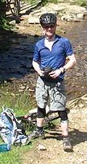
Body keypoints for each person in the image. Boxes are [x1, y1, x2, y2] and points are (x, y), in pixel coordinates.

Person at [30, 12, 77, 152]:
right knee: (40, 105)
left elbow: (73, 60)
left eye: (51, 26)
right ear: (42, 28)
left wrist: (60, 70)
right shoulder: (39, 45)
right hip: (42, 81)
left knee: (61, 110)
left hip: (57, 82)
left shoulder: (64, 42)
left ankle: (66, 138)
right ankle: (39, 130)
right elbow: (35, 61)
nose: (49, 29)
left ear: (56, 26)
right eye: (46, 27)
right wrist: (39, 71)